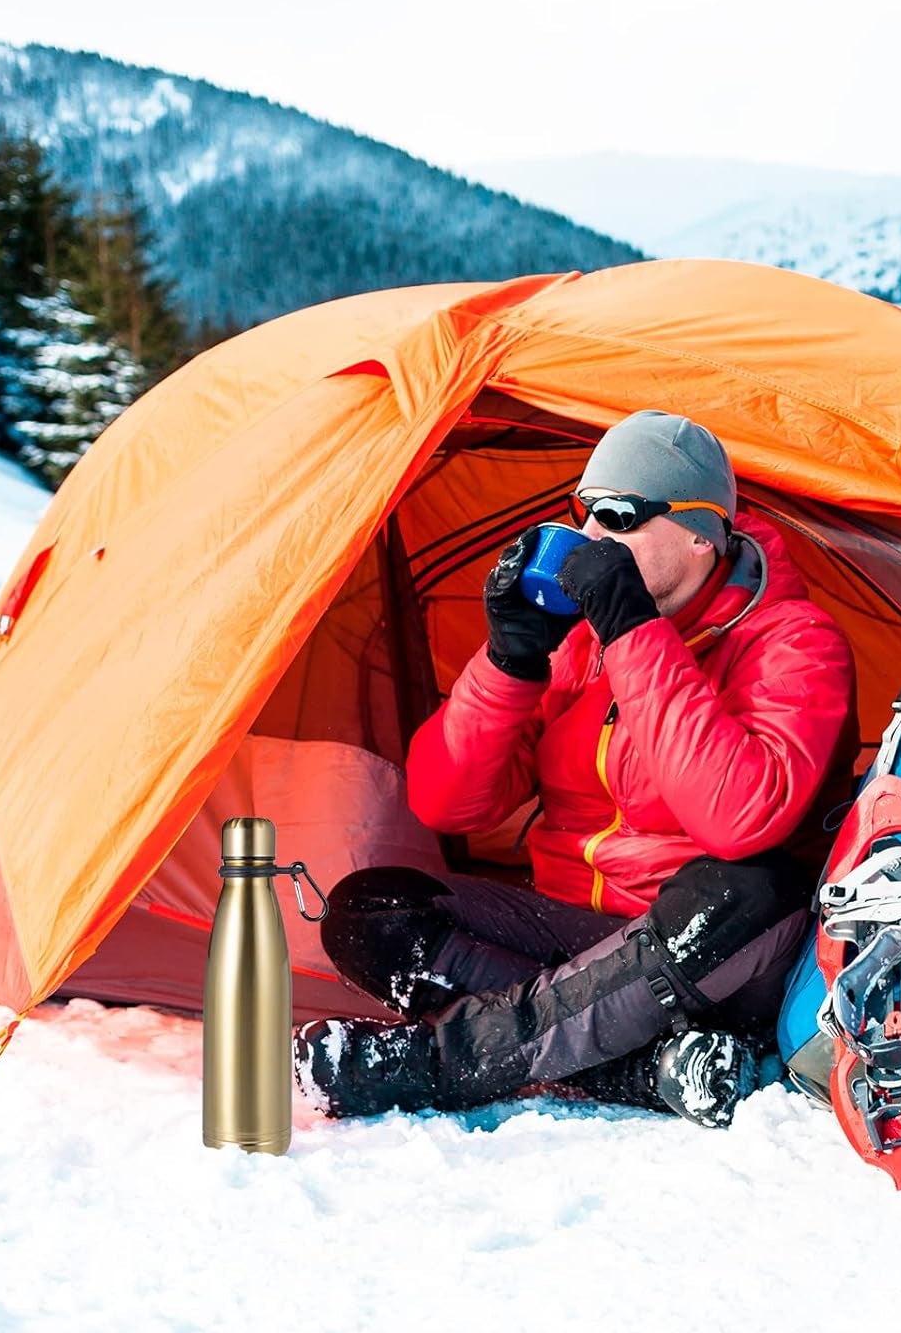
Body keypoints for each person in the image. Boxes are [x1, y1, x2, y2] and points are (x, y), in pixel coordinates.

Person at [294, 410, 859, 1126]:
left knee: (750, 887)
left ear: (700, 532)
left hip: (708, 945)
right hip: (573, 928)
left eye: (620, 516)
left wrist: (633, 632)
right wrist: (508, 662)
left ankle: (443, 1061)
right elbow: (446, 803)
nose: (594, 538)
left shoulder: (795, 641)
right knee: (368, 914)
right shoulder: (580, 645)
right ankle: (648, 1068)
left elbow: (739, 817)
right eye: (585, 512)